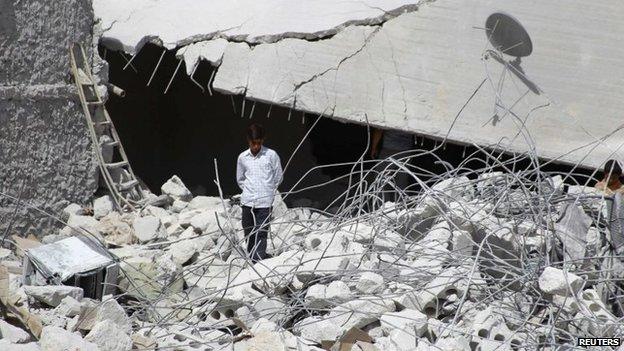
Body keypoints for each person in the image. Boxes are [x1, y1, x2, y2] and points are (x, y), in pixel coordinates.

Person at [236, 123, 283, 262]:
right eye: (253, 143)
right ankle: (252, 257)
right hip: (248, 202)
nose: (255, 146)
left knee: (262, 232)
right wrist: (249, 190)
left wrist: (268, 189)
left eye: (258, 143)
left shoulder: (271, 155)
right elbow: (240, 179)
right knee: (249, 231)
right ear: (248, 141)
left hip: (265, 202)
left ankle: (259, 260)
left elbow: (278, 177)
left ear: (263, 140)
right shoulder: (242, 157)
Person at [370, 127, 415, 202]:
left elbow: (379, 129)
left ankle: (382, 207)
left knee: (380, 180)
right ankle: (401, 208)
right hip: (406, 151)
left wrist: (374, 147)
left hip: (389, 150)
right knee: (401, 183)